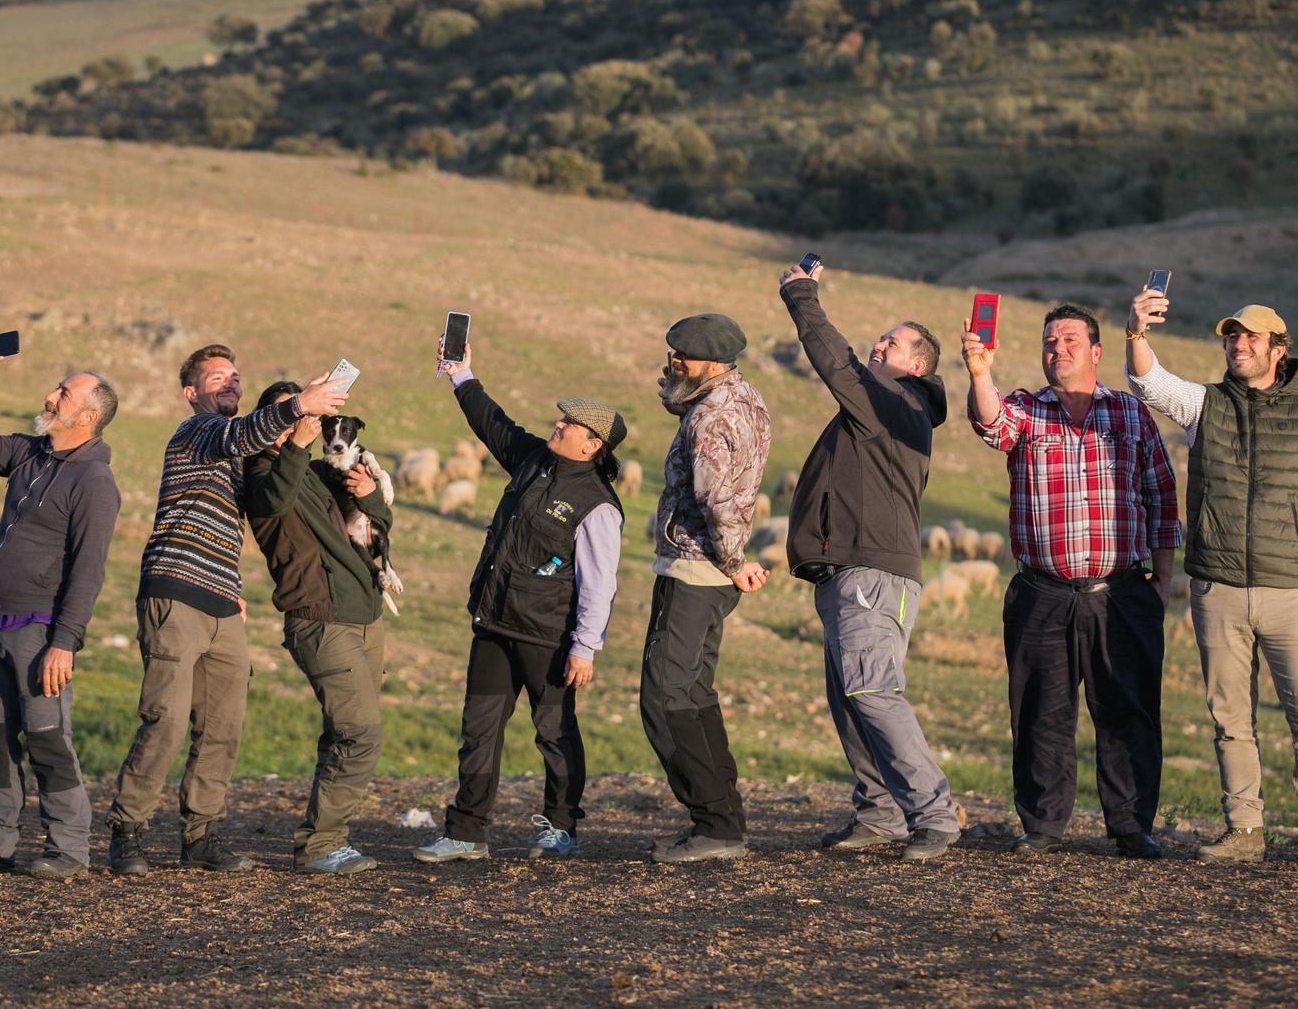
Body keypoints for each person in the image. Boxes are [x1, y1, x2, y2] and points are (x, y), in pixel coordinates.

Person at [1125, 292, 1298, 864]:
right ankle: (1245, 831)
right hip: (1217, 587)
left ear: (1279, 349)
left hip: (1290, 590)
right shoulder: (1205, 404)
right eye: (1232, 336)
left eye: (1251, 337)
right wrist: (1135, 333)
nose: (1238, 344)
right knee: (1231, 716)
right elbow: (1150, 384)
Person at [105, 345, 350, 876]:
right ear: (192, 392)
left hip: (223, 600)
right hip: (174, 590)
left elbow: (266, 493)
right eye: (217, 377)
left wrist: (302, 433)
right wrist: (296, 405)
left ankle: (202, 835)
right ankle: (127, 830)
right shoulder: (196, 432)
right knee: (165, 720)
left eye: (235, 376)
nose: (231, 383)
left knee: (223, 725)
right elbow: (241, 433)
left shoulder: (238, 452)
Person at [962, 304, 1180, 859]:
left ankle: (1132, 826)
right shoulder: (1025, 410)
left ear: (1097, 351)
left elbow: (1161, 494)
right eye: (1049, 341)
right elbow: (990, 425)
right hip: (1043, 592)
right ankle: (1043, 825)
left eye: (1070, 340)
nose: (1057, 349)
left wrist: (1162, 580)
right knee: (1040, 712)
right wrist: (980, 372)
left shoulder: (1130, 415)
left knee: (1128, 709)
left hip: (1122, 592)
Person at [412, 339, 625, 864]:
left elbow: (601, 580)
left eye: (568, 424)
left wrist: (585, 647)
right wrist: (461, 374)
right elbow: (494, 424)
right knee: (477, 730)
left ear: (592, 444)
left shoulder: (599, 505)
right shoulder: (533, 461)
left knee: (553, 733)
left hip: (549, 638)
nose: (558, 425)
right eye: (560, 421)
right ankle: (465, 833)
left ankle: (561, 829)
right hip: (495, 623)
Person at [778, 259, 961, 861]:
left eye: (895, 341)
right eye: (883, 336)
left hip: (869, 576)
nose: (880, 343)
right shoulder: (888, 408)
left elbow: (835, 361)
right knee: (853, 699)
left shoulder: (895, 402)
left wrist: (802, 295)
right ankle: (880, 812)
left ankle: (934, 815)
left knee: (874, 691)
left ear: (916, 365)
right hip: (855, 574)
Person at [0, 338, 121, 880]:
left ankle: (68, 850)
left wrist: (65, 642)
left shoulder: (95, 481)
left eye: (63, 393)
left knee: (46, 741)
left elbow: (89, 570)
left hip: (42, 633)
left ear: (86, 416)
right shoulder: (28, 453)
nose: (50, 396)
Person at [241, 381, 394, 876]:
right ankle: (322, 844)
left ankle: (323, 838)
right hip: (319, 618)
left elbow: (378, 523)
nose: (298, 423)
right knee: (360, 733)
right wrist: (296, 442)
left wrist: (370, 496)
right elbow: (274, 504)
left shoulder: (314, 471)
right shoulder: (263, 471)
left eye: (303, 414)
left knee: (342, 733)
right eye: (289, 414)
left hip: (364, 614)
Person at [641, 313, 771, 864]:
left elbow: (719, 499)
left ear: (712, 364)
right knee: (695, 695)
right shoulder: (741, 398)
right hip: (709, 571)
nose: (673, 363)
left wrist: (734, 559)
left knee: (664, 699)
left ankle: (714, 824)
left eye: (683, 357)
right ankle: (722, 819)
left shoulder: (712, 416)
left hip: (697, 570)